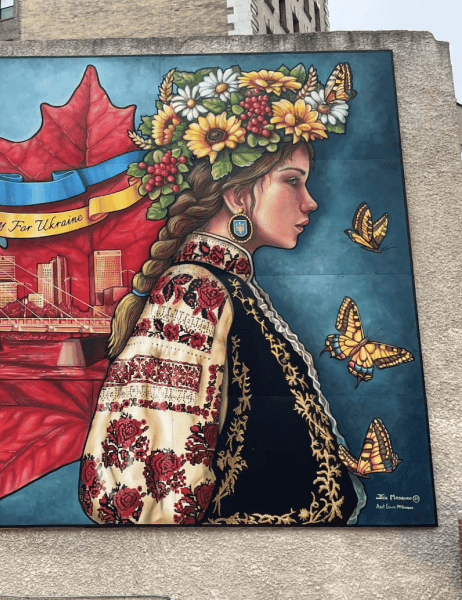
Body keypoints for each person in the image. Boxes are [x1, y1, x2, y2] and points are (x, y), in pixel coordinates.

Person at [78, 64, 365, 525]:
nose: (311, 201)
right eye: (292, 180)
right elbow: (151, 486)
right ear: (238, 197)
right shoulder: (194, 291)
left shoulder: (227, 286)